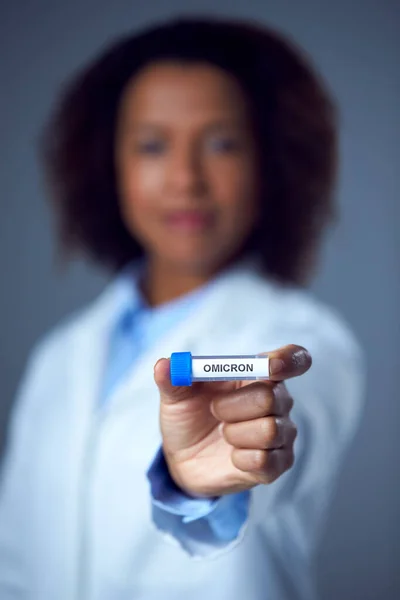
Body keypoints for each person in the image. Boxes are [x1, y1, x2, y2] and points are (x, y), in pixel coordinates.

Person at [0, 15, 364, 600]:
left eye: (221, 143)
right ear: (109, 163)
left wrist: (203, 488)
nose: (185, 178)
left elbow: (296, 430)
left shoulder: (303, 339)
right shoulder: (59, 356)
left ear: (267, 162)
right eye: (152, 145)